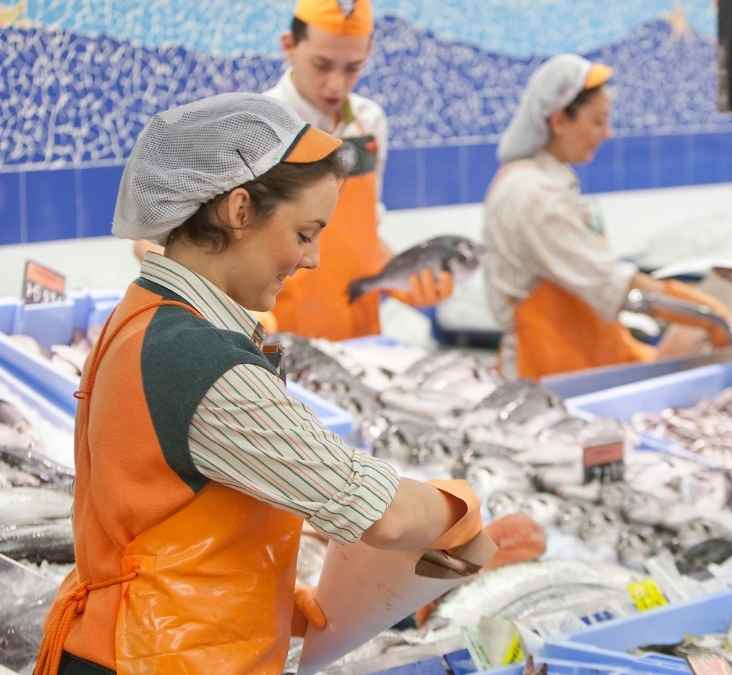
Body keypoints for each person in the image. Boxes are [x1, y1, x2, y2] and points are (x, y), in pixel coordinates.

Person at [34, 93, 494, 675]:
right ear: (240, 210)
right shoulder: (196, 359)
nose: (313, 260)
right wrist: (464, 515)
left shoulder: (150, 311)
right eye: (304, 234)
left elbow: (170, 518)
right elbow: (381, 513)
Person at [133, 0, 453, 340]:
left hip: (358, 335)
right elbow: (150, 241)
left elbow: (364, 232)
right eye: (322, 65)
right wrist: (225, 308)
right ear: (289, 46)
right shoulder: (252, 128)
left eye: (352, 68)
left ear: (369, 52)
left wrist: (403, 279)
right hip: (274, 340)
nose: (336, 85)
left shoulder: (369, 124)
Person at [482, 54, 732, 379]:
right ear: (558, 121)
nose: (606, 133)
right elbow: (613, 285)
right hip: (548, 372)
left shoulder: (546, 179)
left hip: (581, 358)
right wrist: (710, 316)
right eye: (597, 121)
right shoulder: (533, 196)